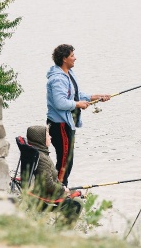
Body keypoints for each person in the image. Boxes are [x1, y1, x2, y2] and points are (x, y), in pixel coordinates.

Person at [46, 44, 111, 186]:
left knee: (67, 159)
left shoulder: (69, 74)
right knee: (65, 160)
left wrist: (96, 97)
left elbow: (76, 95)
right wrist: (78, 104)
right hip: (59, 125)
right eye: (72, 56)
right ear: (64, 59)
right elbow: (60, 102)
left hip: (67, 124)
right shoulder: (58, 79)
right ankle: (59, 189)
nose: (75, 58)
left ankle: (61, 187)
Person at [26, 125, 83, 225]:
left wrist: (62, 186)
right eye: (48, 135)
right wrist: (62, 189)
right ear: (41, 139)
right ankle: (60, 231)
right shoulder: (42, 158)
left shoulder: (37, 153)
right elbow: (48, 184)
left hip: (40, 192)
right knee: (77, 203)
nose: (51, 137)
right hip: (44, 198)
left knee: (75, 193)